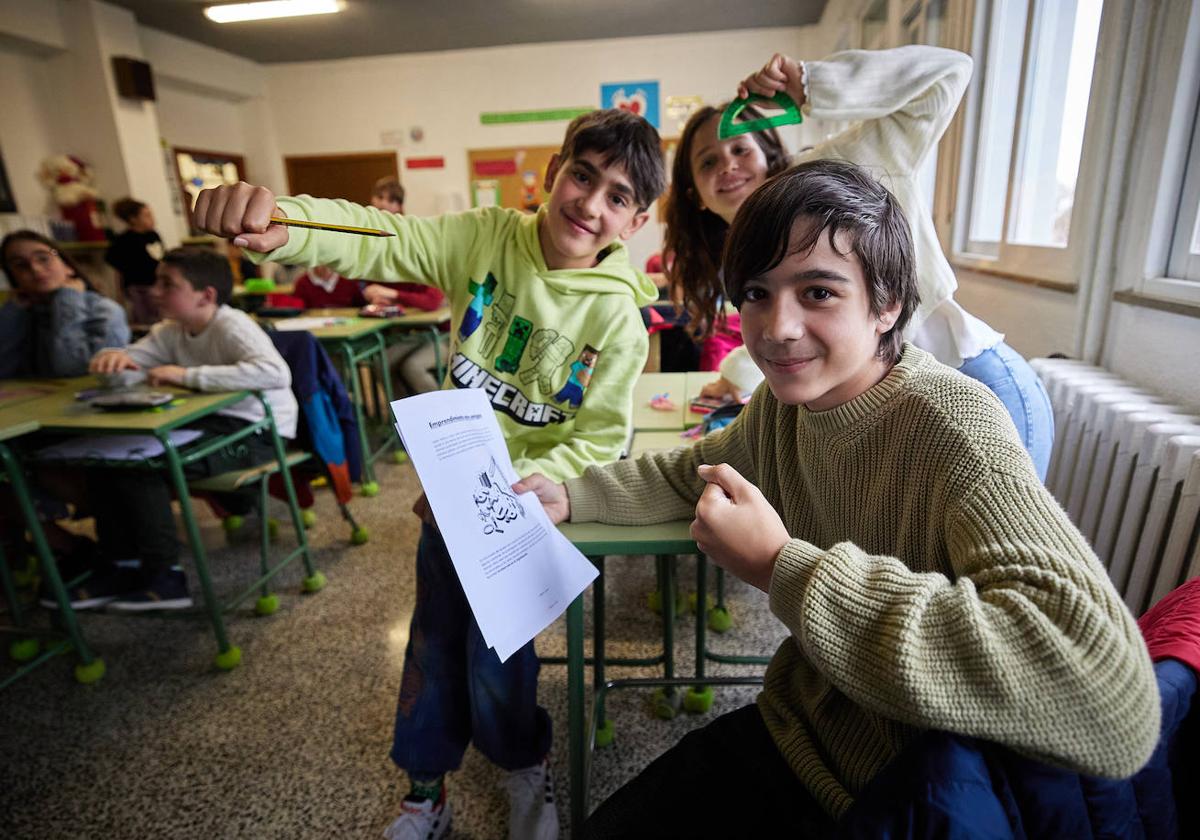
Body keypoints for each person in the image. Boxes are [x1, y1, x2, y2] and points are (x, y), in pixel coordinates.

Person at [517, 160, 1159, 837]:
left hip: (915, 789)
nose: (777, 328)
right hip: (798, 729)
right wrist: (570, 493)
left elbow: (1110, 700)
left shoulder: (956, 424)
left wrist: (779, 567)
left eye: (818, 292)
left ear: (886, 304)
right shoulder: (781, 407)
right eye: (758, 293)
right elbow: (692, 471)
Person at [190, 107, 666, 840]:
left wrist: (521, 490)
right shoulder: (482, 237)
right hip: (447, 508)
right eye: (582, 175)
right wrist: (285, 222)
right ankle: (424, 792)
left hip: (521, 515)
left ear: (634, 225)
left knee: (497, 658)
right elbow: (384, 237)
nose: (590, 203)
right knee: (433, 647)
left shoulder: (619, 323)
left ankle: (523, 767)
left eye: (618, 197)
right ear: (553, 173)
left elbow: (600, 437)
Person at [675, 46, 1055, 479]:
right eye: (708, 161)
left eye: (740, 148)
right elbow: (790, 329)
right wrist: (737, 375)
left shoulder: (841, 168)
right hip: (901, 411)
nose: (727, 164)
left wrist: (814, 84)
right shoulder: (738, 250)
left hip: (974, 381)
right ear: (694, 194)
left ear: (766, 150)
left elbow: (948, 73)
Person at [77, 247, 298, 611]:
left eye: (168, 284)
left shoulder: (232, 325)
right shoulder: (170, 331)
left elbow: (275, 373)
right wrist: (114, 358)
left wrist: (186, 375)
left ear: (205, 295)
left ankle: (165, 578)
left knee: (140, 465)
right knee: (105, 460)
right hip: (211, 424)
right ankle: (122, 564)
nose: (155, 291)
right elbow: (135, 358)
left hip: (258, 432)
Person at [0, 230, 130, 378]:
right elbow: (4, 371)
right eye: (20, 265)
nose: (35, 269)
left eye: (43, 258)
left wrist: (67, 300)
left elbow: (73, 368)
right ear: (13, 278)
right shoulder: (21, 312)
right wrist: (12, 313)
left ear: (68, 266)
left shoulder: (104, 309)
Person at [105, 197, 164, 324]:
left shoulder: (153, 235)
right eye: (147, 215)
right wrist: (119, 295)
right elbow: (118, 270)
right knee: (145, 320)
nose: (152, 219)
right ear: (133, 219)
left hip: (156, 285)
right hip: (137, 288)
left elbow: (160, 260)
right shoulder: (124, 241)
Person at [291, 264, 367, 309]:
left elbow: (360, 305)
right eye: (321, 263)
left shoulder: (348, 279)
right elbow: (299, 309)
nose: (325, 267)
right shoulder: (302, 283)